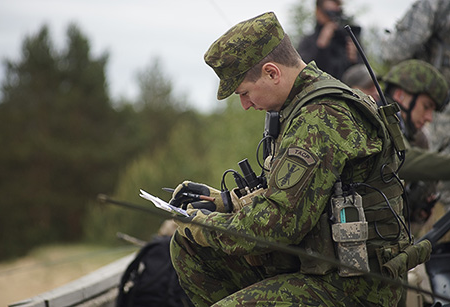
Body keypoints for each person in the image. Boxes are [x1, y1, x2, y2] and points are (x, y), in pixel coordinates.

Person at [169, 12, 431, 306]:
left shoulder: (320, 116)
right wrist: (222, 201)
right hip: (323, 267)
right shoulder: (304, 104)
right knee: (187, 246)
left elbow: (280, 223)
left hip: (357, 286)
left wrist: (208, 227)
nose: (244, 105)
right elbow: (289, 195)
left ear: (272, 72)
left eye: (244, 92)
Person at [381, 59, 450, 232]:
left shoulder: (406, 132)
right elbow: (404, 160)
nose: (429, 118)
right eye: (426, 107)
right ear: (400, 95)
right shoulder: (379, 121)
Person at [297, 0, 361, 79]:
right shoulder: (308, 42)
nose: (333, 17)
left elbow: (362, 75)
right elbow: (303, 73)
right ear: (318, 11)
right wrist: (321, 47)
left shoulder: (347, 39)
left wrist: (354, 59)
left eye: (337, 13)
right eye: (329, 13)